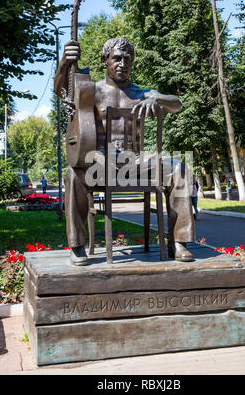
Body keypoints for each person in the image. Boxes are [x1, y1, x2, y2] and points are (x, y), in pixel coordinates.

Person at [54, 37, 196, 266]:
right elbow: (61, 90)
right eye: (117, 58)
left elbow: (177, 104)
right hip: (99, 163)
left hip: (135, 163)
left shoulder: (142, 93)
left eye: (127, 59)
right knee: (73, 174)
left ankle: (178, 242)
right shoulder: (92, 90)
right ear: (105, 61)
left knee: (178, 167)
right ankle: (77, 246)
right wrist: (64, 63)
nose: (122, 63)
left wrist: (157, 98)